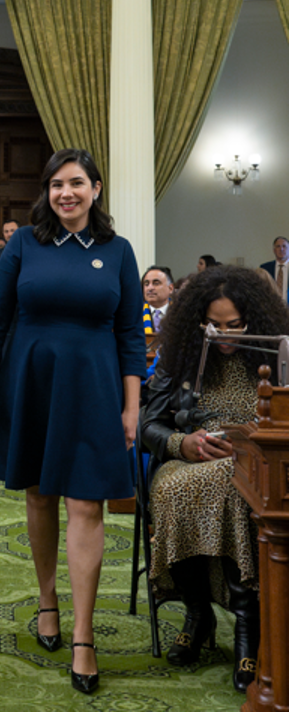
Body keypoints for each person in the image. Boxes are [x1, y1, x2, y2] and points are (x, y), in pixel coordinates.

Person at [0, 147, 146, 695]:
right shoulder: (23, 244)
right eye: (57, 184)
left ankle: (83, 635)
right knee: (38, 495)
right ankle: (46, 598)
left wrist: (131, 407)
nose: (66, 193)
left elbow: (131, 333)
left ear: (96, 189)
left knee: (86, 503)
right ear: (47, 190)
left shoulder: (117, 251)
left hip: (95, 385)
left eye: (77, 183)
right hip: (31, 380)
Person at [141, 266, 288, 693]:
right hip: (189, 457)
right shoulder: (182, 352)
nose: (223, 334)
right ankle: (197, 610)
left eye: (234, 325)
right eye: (214, 325)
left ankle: (247, 625)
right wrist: (181, 444)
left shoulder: (271, 354)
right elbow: (150, 424)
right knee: (171, 488)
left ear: (253, 321)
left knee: (236, 486)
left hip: (257, 464)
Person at [142, 266, 174, 333]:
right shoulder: (135, 314)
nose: (150, 288)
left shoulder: (180, 313)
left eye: (156, 283)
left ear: (170, 288)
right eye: (146, 284)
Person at [260, 236, 288, 300]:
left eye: (284, 246)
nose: (281, 249)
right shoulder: (265, 268)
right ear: (274, 250)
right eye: (278, 246)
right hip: (271, 307)